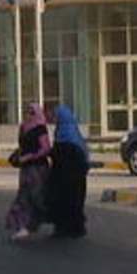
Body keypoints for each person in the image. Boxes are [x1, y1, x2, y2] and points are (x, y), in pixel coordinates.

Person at [6, 103, 53, 242]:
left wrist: (31, 156)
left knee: (38, 197)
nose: (29, 115)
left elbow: (46, 148)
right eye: (27, 112)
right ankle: (22, 226)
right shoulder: (23, 127)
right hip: (25, 168)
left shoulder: (40, 128)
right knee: (23, 196)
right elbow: (22, 146)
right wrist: (19, 157)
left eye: (32, 112)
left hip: (38, 168)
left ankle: (37, 222)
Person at [46, 102, 90, 239]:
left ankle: (63, 228)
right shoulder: (75, 136)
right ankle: (76, 228)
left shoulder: (63, 137)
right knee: (75, 202)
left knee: (63, 201)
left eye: (56, 116)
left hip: (64, 180)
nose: (54, 118)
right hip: (77, 179)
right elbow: (84, 157)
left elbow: (60, 157)